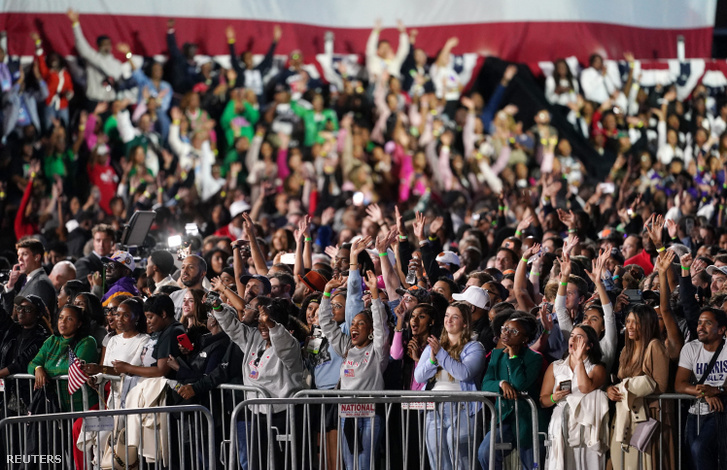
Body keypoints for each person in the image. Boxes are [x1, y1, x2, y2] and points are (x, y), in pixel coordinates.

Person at [318, 271, 389, 470]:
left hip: (369, 416)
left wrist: (374, 295)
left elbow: (381, 328)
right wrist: (326, 292)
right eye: (352, 324)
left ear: (369, 330)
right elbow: (326, 323)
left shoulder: (377, 352)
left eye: (361, 324)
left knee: (364, 465)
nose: (354, 327)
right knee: (349, 465)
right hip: (346, 415)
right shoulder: (346, 348)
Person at [414, 301, 486, 470]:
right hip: (434, 408)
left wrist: (440, 354)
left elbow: (464, 373)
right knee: (438, 459)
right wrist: (432, 359)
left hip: (462, 408)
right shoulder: (435, 346)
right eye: (447, 316)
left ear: (465, 323)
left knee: (461, 460)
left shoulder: (474, 347)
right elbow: (419, 377)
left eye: (455, 317)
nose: (449, 320)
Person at [28, 304, 98, 468]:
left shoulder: (87, 342)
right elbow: (32, 363)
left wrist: (46, 371)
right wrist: (38, 369)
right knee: (61, 455)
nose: (63, 322)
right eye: (60, 317)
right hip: (59, 409)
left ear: (79, 324)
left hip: (81, 407)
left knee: (84, 456)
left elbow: (73, 370)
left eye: (69, 319)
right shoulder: (51, 340)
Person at [606, 304, 670, 470]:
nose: (630, 326)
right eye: (628, 321)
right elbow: (619, 381)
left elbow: (660, 386)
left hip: (646, 416)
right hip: (623, 415)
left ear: (648, 323)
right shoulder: (626, 350)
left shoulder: (654, 346)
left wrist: (627, 386)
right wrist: (611, 390)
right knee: (620, 461)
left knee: (639, 464)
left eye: (636, 322)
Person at [479, 313, 543, 470]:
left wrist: (513, 357)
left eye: (513, 331)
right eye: (505, 329)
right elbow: (486, 384)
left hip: (527, 420)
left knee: (531, 465)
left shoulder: (534, 358)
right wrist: (501, 383)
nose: (506, 333)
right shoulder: (496, 355)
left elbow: (520, 384)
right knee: (485, 452)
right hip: (504, 417)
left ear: (525, 339)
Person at [540, 324, 608, 470]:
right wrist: (554, 397)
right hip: (561, 424)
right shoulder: (556, 366)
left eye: (579, 337)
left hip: (585, 426)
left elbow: (585, 387)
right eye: (571, 336)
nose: (573, 340)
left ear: (589, 346)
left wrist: (579, 362)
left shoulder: (597, 368)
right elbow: (543, 400)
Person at [674, 307, 727, 470]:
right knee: (693, 457)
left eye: (708, 323)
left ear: (722, 330)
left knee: (700, 448)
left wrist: (717, 390)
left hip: (721, 411)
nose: (700, 327)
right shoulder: (690, 348)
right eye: (699, 323)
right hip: (696, 414)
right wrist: (706, 392)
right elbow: (680, 384)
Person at [1, 238, 56, 320]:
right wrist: (10, 285)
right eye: (19, 255)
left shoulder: (40, 283)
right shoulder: (28, 279)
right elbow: (9, 312)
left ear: (37, 257)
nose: (19, 259)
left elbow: (37, 319)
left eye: (24, 254)